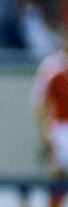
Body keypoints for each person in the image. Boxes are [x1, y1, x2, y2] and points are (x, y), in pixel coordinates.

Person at [33, 31, 68, 180]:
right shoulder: (52, 67)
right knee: (57, 176)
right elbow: (40, 104)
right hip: (60, 128)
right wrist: (45, 136)